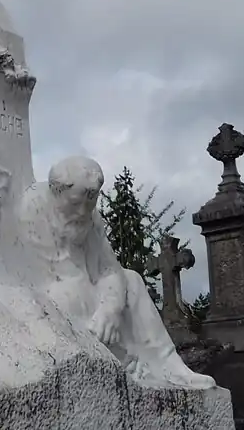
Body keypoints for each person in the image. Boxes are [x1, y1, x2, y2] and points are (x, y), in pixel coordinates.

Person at [18, 156, 217, 389]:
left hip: (84, 287)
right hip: (51, 292)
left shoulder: (89, 217)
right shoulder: (32, 211)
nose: (83, 212)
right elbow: (59, 275)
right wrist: (104, 312)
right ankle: (122, 359)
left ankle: (170, 366)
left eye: (90, 201)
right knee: (68, 293)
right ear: (56, 190)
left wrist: (109, 309)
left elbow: (110, 269)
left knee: (132, 279)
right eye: (75, 203)